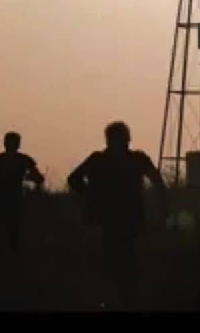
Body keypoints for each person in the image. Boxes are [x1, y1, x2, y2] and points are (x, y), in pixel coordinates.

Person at [67, 121, 167, 308]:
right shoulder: (135, 159)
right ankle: (125, 298)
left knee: (116, 261)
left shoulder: (100, 160)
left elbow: (74, 179)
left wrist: (91, 196)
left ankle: (120, 298)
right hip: (127, 218)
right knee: (125, 262)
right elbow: (158, 183)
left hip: (111, 218)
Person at [0, 131, 45, 252]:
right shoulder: (21, 159)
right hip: (6, 198)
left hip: (8, 198)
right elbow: (39, 178)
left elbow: (38, 178)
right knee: (6, 227)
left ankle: (4, 251)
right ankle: (5, 251)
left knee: (5, 227)